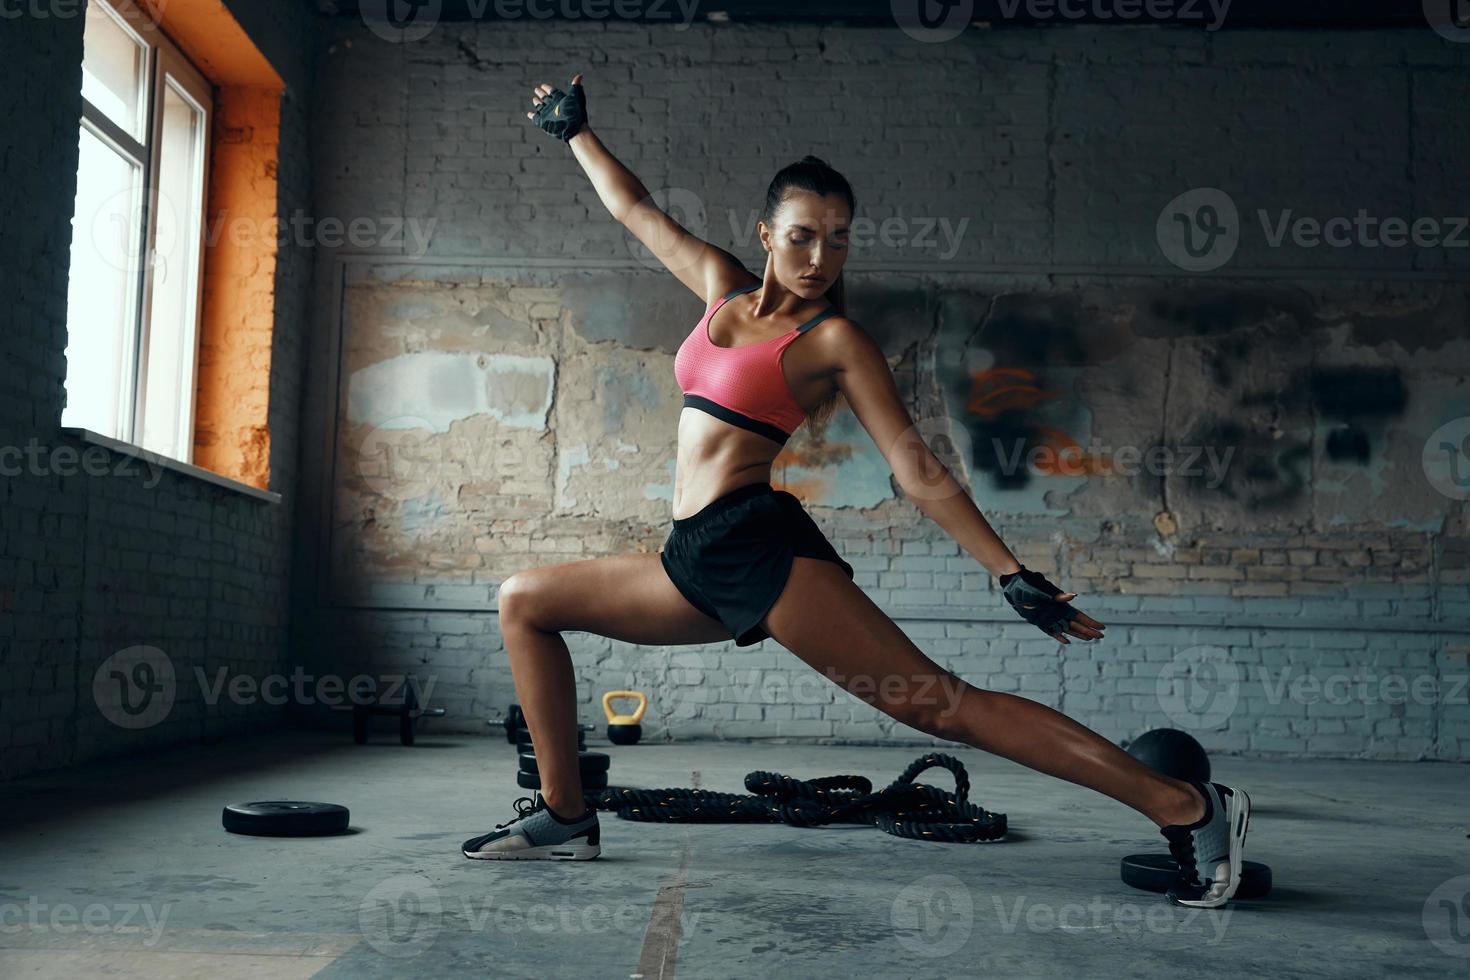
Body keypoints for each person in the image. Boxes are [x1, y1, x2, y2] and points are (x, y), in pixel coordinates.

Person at [463, 75, 1251, 909]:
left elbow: (915, 464)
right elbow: (636, 210)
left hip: (761, 552)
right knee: (525, 601)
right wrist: (574, 133)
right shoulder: (719, 286)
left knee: (944, 709)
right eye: (803, 237)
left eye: (839, 241)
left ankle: (1192, 808)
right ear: (767, 234)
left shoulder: (831, 338)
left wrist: (1007, 572)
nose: (819, 259)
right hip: (692, 555)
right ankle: (564, 817)